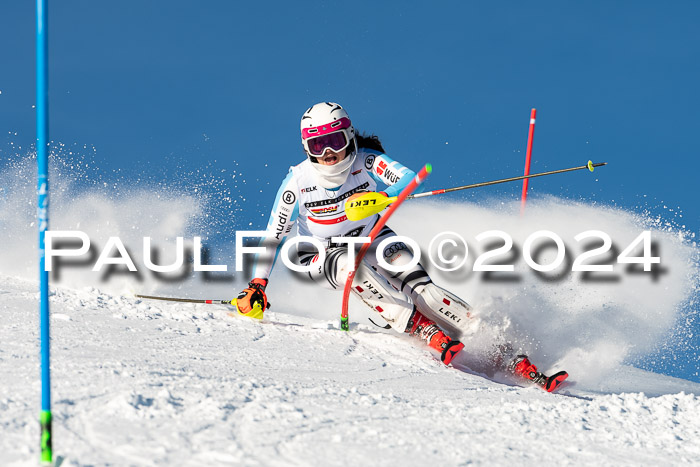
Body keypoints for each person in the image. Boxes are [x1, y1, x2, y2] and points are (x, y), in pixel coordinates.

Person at [236, 102, 561, 387]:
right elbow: (273, 235)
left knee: (425, 290)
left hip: (372, 234)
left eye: (334, 141)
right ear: (307, 147)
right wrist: (258, 284)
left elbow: (405, 178)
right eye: (318, 145)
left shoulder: (365, 161)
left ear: (348, 136)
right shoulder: (298, 182)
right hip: (318, 255)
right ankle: (421, 328)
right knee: (352, 267)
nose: (328, 153)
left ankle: (502, 351)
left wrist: (380, 198)